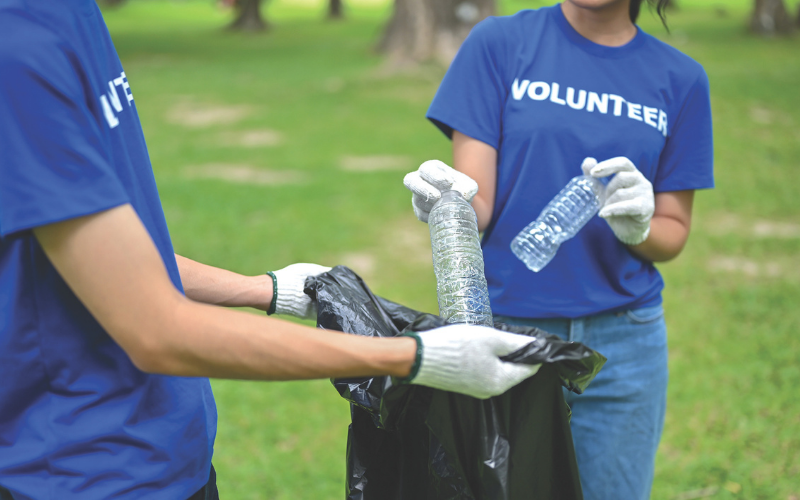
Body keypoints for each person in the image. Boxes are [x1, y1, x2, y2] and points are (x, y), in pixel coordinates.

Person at [0, 1, 542, 498]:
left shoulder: (72, 13)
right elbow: (155, 330)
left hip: (167, 454)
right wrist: (414, 357)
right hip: (80, 472)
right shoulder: (17, 48)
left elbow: (112, 263)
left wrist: (264, 289)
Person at [403, 0, 714, 498]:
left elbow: (674, 230)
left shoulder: (681, 79)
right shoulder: (499, 44)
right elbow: (479, 200)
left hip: (623, 345)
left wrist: (640, 227)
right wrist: (448, 202)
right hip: (507, 336)